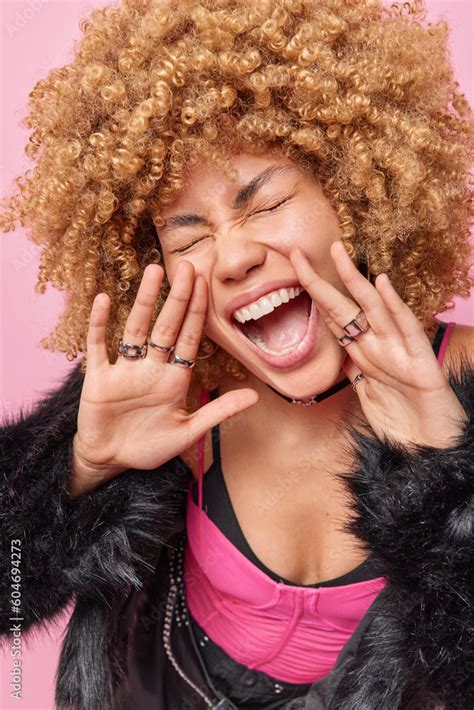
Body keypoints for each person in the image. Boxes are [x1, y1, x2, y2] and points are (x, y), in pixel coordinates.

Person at [0, 0, 473, 708]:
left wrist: (447, 489)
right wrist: (77, 476)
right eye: (188, 237)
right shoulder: (157, 395)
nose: (233, 257)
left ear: (351, 191)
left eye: (265, 202)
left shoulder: (463, 380)